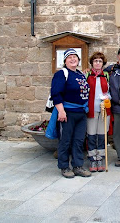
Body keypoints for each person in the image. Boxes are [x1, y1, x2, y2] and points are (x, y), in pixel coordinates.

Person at [50, 48, 91, 178]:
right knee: (65, 141)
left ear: (78, 60)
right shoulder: (61, 74)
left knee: (79, 141)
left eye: (75, 57)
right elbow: (56, 94)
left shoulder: (80, 74)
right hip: (67, 113)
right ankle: (64, 167)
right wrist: (61, 111)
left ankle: (78, 166)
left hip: (81, 113)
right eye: (69, 57)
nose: (73, 59)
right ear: (65, 61)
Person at [86, 52, 111, 172]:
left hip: (104, 110)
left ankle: (100, 157)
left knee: (102, 135)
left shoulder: (106, 75)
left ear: (103, 63)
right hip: (91, 110)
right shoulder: (87, 75)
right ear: (92, 63)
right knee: (91, 135)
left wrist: (108, 98)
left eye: (100, 61)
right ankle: (92, 158)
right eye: (95, 61)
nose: (97, 63)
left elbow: (111, 91)